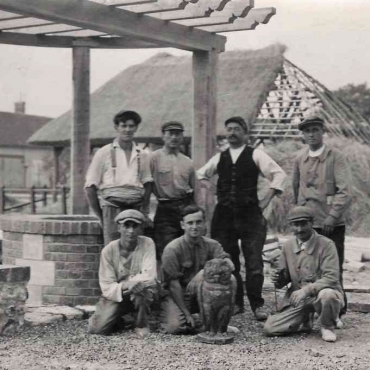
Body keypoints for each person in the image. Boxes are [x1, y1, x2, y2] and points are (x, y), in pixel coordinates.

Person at [197, 116, 286, 320]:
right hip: (224, 217)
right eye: (228, 129)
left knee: (254, 262)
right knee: (229, 260)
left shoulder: (256, 154)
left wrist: (266, 199)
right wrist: (211, 190)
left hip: (250, 216)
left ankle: (257, 305)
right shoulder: (219, 158)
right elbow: (201, 174)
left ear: (245, 133)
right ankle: (236, 303)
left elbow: (279, 174)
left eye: (236, 129)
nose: (232, 133)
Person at [292, 114, 352, 314]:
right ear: (303, 134)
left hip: (330, 224)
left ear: (322, 132)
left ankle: (337, 312)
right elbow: (296, 188)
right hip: (308, 224)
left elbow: (345, 191)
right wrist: (299, 215)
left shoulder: (336, 157)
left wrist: (332, 217)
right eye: (307, 131)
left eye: (315, 130)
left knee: (333, 268)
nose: (311, 135)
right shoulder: (300, 158)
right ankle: (312, 309)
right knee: (309, 268)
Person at [264, 206, 345, 343]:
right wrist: (278, 278)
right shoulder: (288, 246)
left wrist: (306, 291)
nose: (299, 229)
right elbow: (285, 279)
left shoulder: (327, 244)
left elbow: (331, 277)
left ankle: (327, 325)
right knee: (270, 328)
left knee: (328, 295)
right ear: (291, 225)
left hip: (321, 294)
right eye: (295, 224)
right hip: (298, 298)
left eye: (303, 224)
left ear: (312, 223)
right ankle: (306, 318)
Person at [159, 205, 231, 334]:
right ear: (182, 225)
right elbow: (173, 286)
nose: (195, 226)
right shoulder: (172, 249)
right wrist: (187, 314)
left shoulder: (212, 245)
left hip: (202, 293)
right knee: (174, 327)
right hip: (177, 295)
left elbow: (229, 266)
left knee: (232, 279)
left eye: (198, 222)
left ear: (204, 223)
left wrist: (204, 272)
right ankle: (195, 320)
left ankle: (215, 322)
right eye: (190, 223)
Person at [85, 110, 153, 244]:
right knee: (112, 249)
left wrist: (144, 212)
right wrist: (101, 216)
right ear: (116, 128)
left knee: (135, 248)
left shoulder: (142, 154)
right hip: (111, 208)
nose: (128, 130)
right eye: (124, 126)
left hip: (135, 207)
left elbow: (148, 183)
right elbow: (90, 187)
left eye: (131, 126)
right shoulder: (103, 153)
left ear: (136, 128)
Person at [88, 209, 157, 337]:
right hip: (119, 292)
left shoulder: (147, 243)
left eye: (135, 226)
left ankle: (141, 324)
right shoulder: (108, 251)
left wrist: (131, 283)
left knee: (141, 289)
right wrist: (127, 285)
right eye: (126, 226)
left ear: (141, 228)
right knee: (97, 330)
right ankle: (122, 318)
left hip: (141, 290)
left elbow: (150, 275)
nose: (131, 231)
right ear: (119, 227)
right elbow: (107, 285)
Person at [150, 121, 202, 261]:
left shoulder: (188, 161)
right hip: (165, 209)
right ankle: (168, 282)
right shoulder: (153, 158)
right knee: (166, 249)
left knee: (188, 248)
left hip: (186, 206)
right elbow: (146, 185)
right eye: (170, 133)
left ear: (182, 137)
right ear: (163, 136)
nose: (174, 137)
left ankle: (186, 282)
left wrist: (200, 213)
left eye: (177, 134)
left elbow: (196, 189)